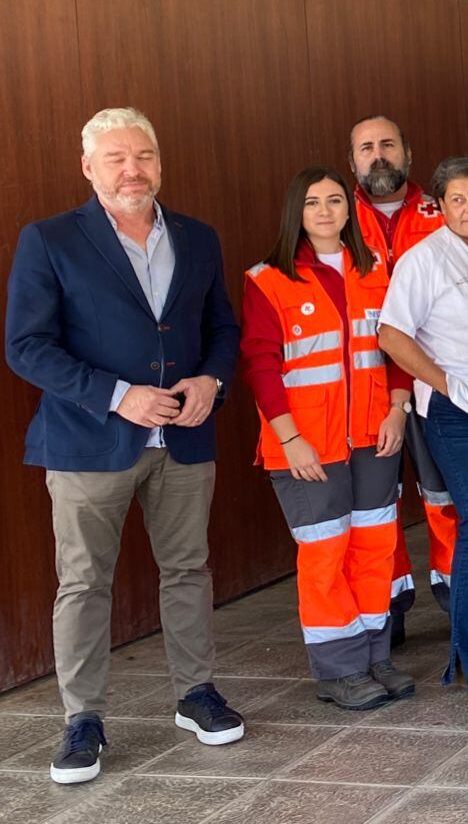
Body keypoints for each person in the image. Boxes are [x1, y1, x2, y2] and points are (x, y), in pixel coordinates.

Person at [6, 108, 245, 784]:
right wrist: (116, 395)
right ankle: (83, 720)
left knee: (189, 571)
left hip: (184, 436)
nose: (132, 169)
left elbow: (222, 325)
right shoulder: (49, 239)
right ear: (89, 167)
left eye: (143, 155)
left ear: (160, 163)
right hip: (87, 442)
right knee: (83, 583)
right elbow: (26, 346)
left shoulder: (198, 238)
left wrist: (212, 379)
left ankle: (196, 696)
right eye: (115, 158)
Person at [241, 165, 415, 711]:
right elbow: (261, 366)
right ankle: (338, 670)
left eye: (335, 200)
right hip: (306, 445)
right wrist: (289, 438)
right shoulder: (268, 278)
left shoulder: (378, 270)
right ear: (298, 211)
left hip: (373, 435)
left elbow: (398, 345)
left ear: (349, 209)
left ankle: (373, 656)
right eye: (313, 202)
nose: (324, 211)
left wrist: (397, 410)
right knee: (325, 554)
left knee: (374, 547)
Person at [378, 156, 468, 698]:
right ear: (439, 205)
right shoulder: (424, 259)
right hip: (455, 409)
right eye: (457, 199)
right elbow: (392, 334)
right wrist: (444, 383)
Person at [349, 115, 452, 630]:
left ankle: (463, 604)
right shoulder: (332, 215)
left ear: (407, 151)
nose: (378, 154)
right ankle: (385, 612)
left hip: (435, 375)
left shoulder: (444, 210)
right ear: (353, 161)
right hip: (365, 385)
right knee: (376, 503)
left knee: (445, 494)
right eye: (366, 147)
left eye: (388, 143)